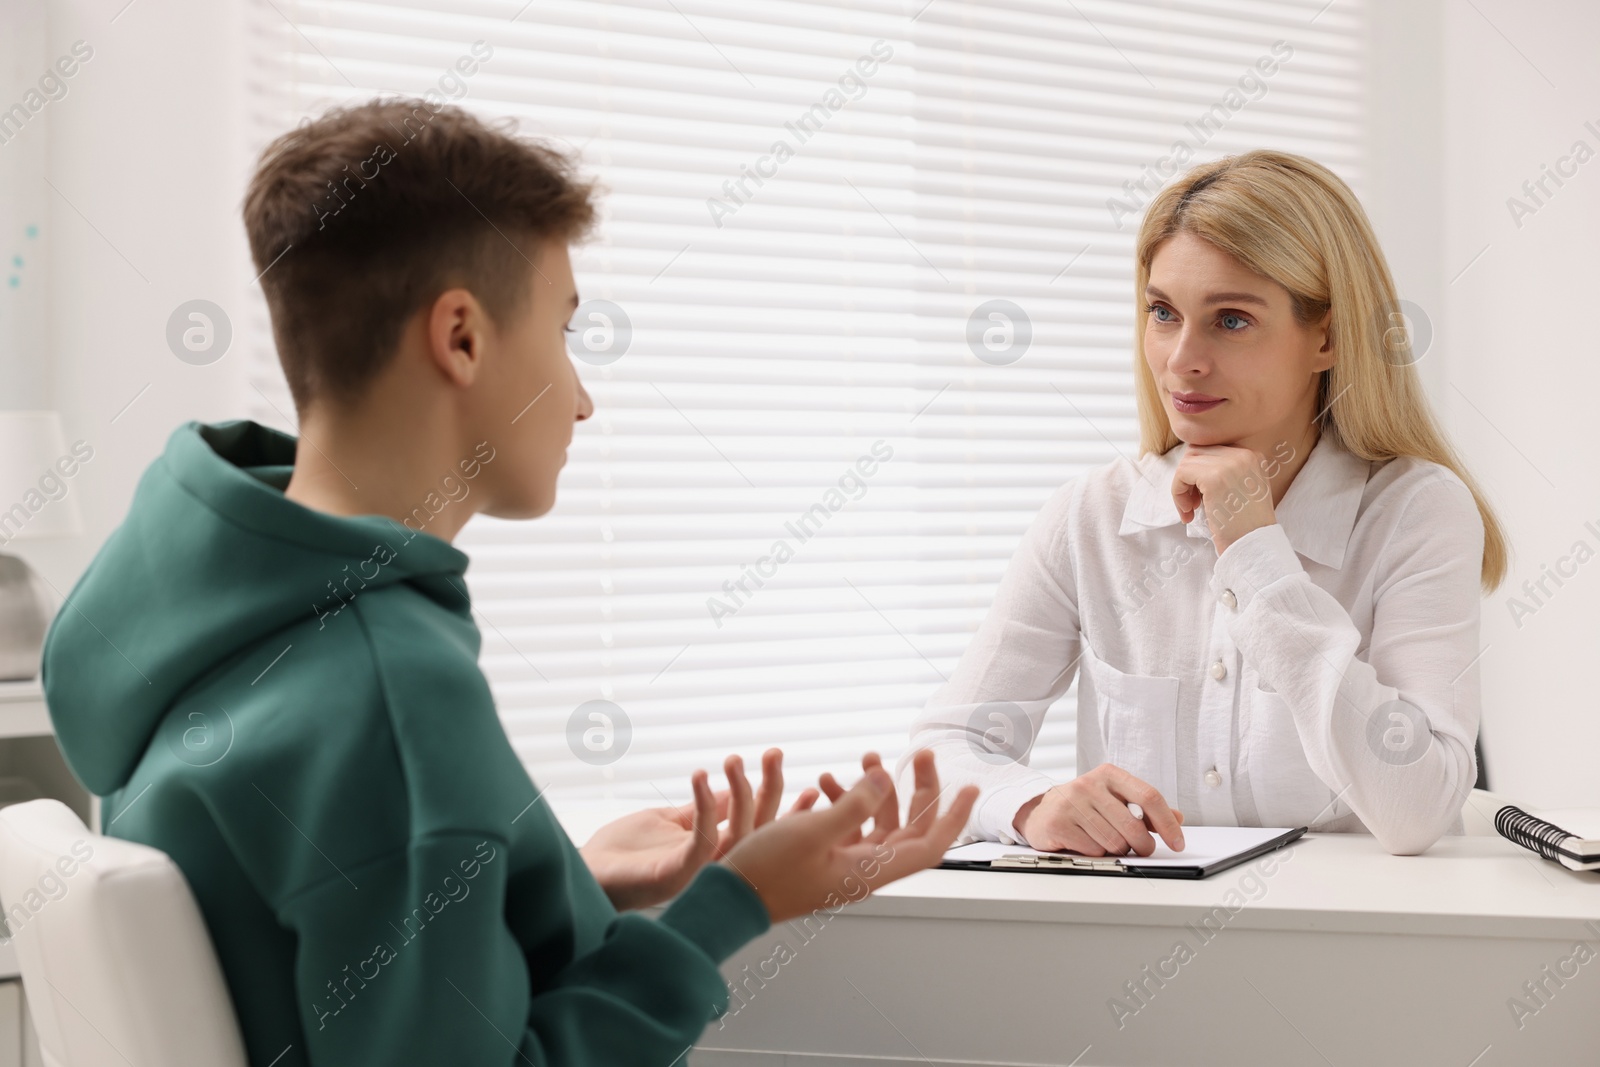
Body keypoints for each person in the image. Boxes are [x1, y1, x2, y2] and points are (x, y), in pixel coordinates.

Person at [40, 98, 977, 1067]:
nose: (581, 396)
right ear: (462, 336)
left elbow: (318, 939)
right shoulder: (388, 685)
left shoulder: (217, 624)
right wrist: (736, 901)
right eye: (565, 329)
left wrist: (555, 880)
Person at [898, 149, 1507, 860]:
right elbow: (943, 752)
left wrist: (1257, 556)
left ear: (1329, 336)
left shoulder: (1417, 512)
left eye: (1231, 320)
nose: (1181, 358)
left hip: (1353, 947)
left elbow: (1419, 808)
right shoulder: (1091, 517)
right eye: (1163, 312)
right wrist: (1030, 804)